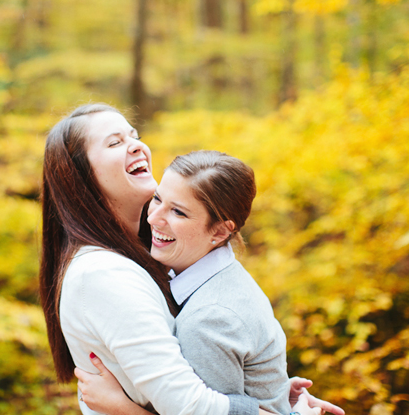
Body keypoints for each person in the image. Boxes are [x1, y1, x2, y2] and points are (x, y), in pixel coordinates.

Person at [39, 104, 339, 415]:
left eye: (135, 135)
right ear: (79, 177)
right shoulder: (104, 273)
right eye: (115, 143)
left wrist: (272, 392)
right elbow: (192, 406)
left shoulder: (145, 258)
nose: (138, 145)